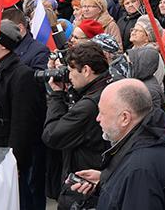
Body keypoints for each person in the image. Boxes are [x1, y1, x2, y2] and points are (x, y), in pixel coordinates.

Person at [69, 79, 165, 210]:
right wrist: (107, 181)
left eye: (102, 112)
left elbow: (139, 186)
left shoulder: (140, 170)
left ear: (125, 118)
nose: (98, 118)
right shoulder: (162, 137)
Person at [41, 42, 112, 210]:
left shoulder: (89, 105)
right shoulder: (107, 86)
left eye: (71, 70)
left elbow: (52, 135)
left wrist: (56, 96)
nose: (68, 76)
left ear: (86, 70)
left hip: (83, 185)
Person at [0, 21, 45, 208]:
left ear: (3, 44)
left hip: (6, 155)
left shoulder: (21, 74)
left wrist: (15, 162)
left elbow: (23, 122)